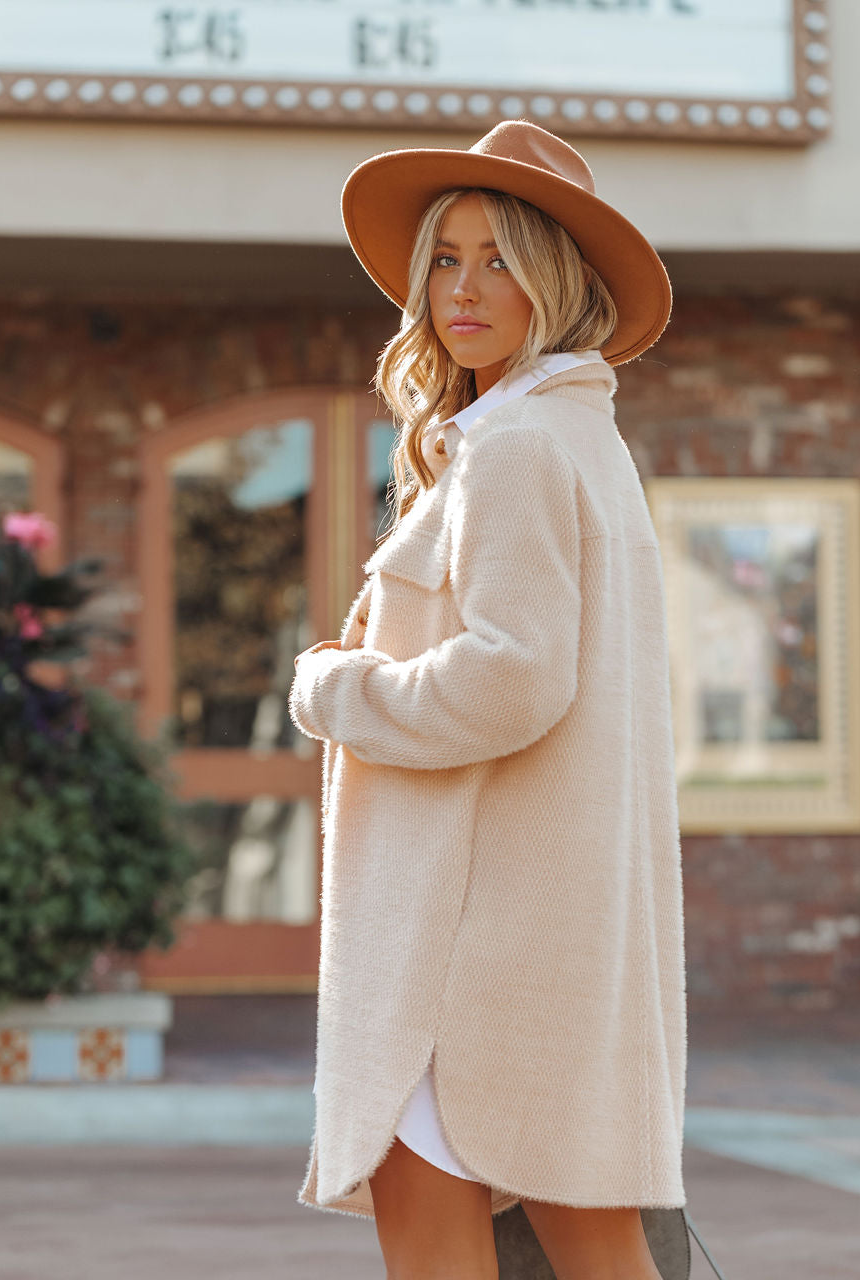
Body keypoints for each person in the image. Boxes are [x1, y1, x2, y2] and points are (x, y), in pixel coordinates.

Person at [289, 120, 685, 1280]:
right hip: (534, 930)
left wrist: (338, 689)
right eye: (446, 259)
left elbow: (513, 678)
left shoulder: (516, 445)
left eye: (500, 259)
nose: (463, 289)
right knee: (595, 1243)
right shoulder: (575, 437)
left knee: (447, 1237)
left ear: (555, 279)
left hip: (462, 945)